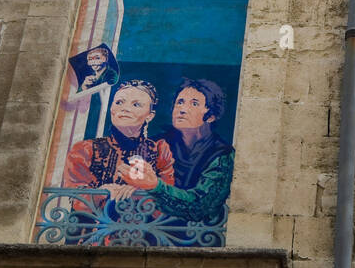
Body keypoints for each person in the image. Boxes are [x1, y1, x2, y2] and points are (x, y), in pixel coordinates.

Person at [123, 77, 235, 224]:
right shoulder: (154, 144)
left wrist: (155, 186)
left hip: (196, 238)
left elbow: (202, 206)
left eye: (194, 104)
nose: (182, 109)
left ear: (211, 116)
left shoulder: (222, 154)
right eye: (180, 102)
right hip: (147, 230)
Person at [63, 79, 175, 206]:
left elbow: (166, 201)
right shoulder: (85, 150)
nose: (125, 109)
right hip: (95, 225)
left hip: (144, 224)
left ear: (150, 116)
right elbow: (76, 202)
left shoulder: (159, 151)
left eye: (136, 105)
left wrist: (139, 192)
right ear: (111, 108)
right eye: (119, 102)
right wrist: (102, 192)